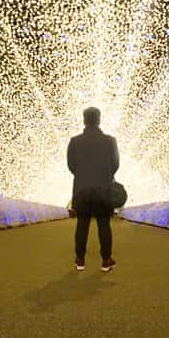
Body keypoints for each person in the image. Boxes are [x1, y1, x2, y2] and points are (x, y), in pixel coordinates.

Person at [67, 106, 118, 272]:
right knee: (104, 225)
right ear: (99, 120)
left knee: (82, 225)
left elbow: (71, 165)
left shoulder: (75, 141)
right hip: (103, 189)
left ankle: (80, 260)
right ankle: (106, 260)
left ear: (84, 120)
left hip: (82, 189)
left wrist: (83, 176)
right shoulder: (110, 141)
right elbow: (115, 165)